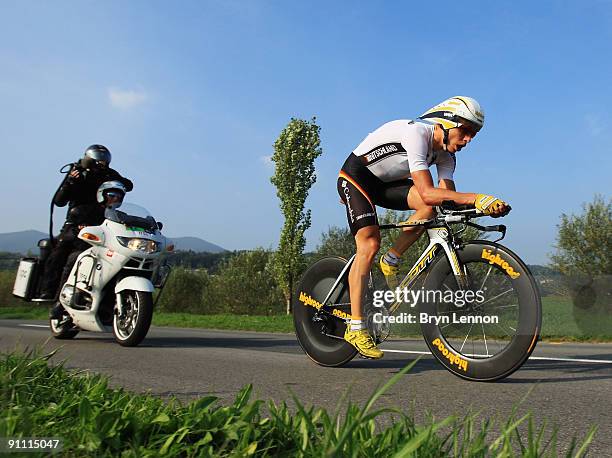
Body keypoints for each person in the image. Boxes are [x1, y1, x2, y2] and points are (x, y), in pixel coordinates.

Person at [337, 96, 510, 359]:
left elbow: (446, 199)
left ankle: (391, 259)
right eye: (465, 131)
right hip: (355, 178)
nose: (469, 139)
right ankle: (356, 326)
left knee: (433, 208)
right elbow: (429, 192)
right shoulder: (417, 133)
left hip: (385, 185)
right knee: (369, 243)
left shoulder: (447, 157)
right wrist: (477, 197)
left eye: (473, 134)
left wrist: (484, 207)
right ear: (446, 122)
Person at [39, 145, 133, 300]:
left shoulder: (109, 174)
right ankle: (48, 291)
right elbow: (59, 201)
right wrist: (70, 182)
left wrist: (115, 180)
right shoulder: (77, 174)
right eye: (99, 159)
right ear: (89, 158)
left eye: (105, 160)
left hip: (101, 223)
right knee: (59, 251)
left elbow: (128, 185)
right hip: (76, 222)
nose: (102, 163)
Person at [48, 181, 127, 319]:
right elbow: (71, 229)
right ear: (102, 195)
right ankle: (60, 303)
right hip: (85, 248)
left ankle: (109, 306)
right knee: (76, 259)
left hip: (109, 253)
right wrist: (80, 229)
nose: (116, 199)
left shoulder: (121, 216)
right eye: (112, 195)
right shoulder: (84, 210)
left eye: (119, 197)